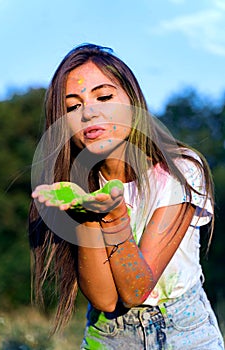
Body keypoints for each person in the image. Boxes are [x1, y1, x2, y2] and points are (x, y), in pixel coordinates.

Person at [29, 43, 224, 350]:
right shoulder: (78, 188)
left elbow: (136, 290)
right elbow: (106, 300)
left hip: (186, 334)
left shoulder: (180, 171)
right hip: (108, 337)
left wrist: (115, 217)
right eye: (73, 106)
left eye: (104, 97)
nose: (89, 112)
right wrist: (86, 215)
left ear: (132, 102)